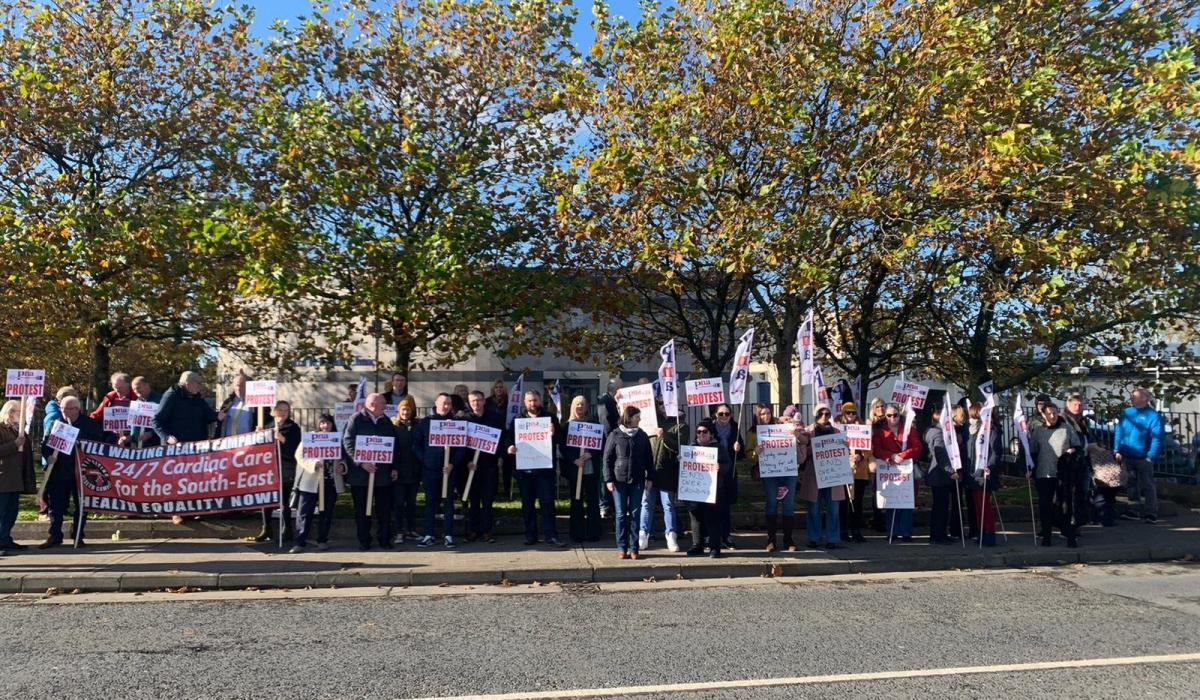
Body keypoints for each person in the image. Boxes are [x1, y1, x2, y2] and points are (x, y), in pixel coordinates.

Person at [40, 396, 102, 548]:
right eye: (62, 408)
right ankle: (55, 535)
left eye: (68, 409)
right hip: (59, 471)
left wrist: (79, 442)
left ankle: (78, 535)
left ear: (77, 409)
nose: (64, 412)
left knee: (81, 505)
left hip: (81, 472)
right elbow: (46, 443)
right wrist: (48, 456)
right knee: (56, 505)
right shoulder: (56, 424)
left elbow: (98, 443)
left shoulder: (88, 424)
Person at [505, 390, 563, 546]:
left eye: (535, 400)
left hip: (544, 470)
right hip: (525, 470)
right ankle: (531, 535)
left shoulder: (549, 418)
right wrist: (510, 447)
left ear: (540, 400)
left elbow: (560, 440)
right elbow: (509, 439)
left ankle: (551, 535)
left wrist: (554, 432)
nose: (533, 403)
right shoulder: (518, 419)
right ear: (525, 402)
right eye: (530, 401)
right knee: (528, 504)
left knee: (547, 503)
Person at [341, 393, 398, 551]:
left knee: (384, 510)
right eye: (383, 404)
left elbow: (393, 445)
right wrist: (361, 462)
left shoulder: (386, 421)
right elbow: (347, 442)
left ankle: (384, 539)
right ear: (372, 405)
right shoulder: (356, 419)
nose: (385, 407)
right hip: (360, 476)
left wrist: (393, 467)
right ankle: (364, 540)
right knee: (361, 510)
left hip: (382, 474)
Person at [413, 393, 468, 548]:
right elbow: (416, 445)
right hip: (430, 469)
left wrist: (452, 464)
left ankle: (449, 535)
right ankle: (429, 534)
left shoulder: (457, 423)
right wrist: (425, 459)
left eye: (449, 403)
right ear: (436, 403)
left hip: (449, 470)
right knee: (430, 502)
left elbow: (461, 447)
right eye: (443, 403)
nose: (446, 406)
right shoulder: (426, 423)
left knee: (448, 502)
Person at [603, 405, 656, 559]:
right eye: (637, 417)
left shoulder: (642, 436)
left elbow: (649, 460)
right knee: (620, 514)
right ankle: (622, 547)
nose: (639, 419)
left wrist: (650, 478)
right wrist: (608, 479)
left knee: (635, 513)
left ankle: (634, 548)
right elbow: (607, 459)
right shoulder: (615, 435)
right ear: (629, 417)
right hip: (618, 481)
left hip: (637, 480)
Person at [1030, 401, 1082, 547]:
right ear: (1043, 414)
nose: (1052, 416)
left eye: (1054, 413)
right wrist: (1030, 469)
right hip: (1044, 473)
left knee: (1065, 505)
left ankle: (1070, 535)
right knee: (1045, 505)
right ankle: (1046, 535)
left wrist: (1073, 452)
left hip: (1063, 473)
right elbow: (1032, 451)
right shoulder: (1038, 431)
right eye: (1049, 413)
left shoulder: (1066, 428)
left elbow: (1078, 446)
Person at [290, 414, 342, 553]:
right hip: (310, 481)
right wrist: (314, 463)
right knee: (304, 512)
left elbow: (343, 458)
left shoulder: (337, 438)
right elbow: (299, 455)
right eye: (323, 423)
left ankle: (322, 540)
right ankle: (300, 542)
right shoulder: (310, 438)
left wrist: (342, 466)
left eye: (328, 423)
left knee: (326, 513)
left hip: (330, 482)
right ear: (318, 424)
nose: (325, 426)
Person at [750, 403, 798, 552]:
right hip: (770, 472)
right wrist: (755, 452)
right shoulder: (752, 433)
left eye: (768, 413)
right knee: (771, 503)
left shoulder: (781, 427)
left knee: (788, 504)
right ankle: (771, 540)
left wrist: (793, 431)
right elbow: (748, 456)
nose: (766, 416)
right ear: (757, 416)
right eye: (762, 414)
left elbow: (798, 432)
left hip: (788, 470)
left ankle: (788, 540)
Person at [871, 403, 922, 542]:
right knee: (892, 500)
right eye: (889, 415)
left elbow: (917, 447)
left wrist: (903, 455)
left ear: (900, 416)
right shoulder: (880, 433)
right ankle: (892, 531)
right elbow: (876, 449)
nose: (893, 418)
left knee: (905, 501)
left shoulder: (908, 430)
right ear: (885, 417)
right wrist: (891, 456)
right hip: (889, 471)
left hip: (906, 471)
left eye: (895, 415)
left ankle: (906, 532)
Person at [1113, 387, 1163, 523]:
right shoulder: (1127, 413)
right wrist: (1117, 449)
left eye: (1135, 396)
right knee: (1131, 484)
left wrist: (1150, 456)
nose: (1132, 398)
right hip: (1127, 454)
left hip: (1143, 456)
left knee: (1147, 484)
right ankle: (1133, 511)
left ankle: (1151, 513)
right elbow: (1119, 431)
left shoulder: (1153, 416)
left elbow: (1156, 438)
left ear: (1144, 398)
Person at [685, 419, 733, 558]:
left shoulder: (718, 448)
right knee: (696, 517)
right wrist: (681, 459)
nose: (701, 434)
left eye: (704, 431)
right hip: (695, 489)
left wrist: (720, 467)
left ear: (711, 434)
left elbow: (728, 464)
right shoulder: (691, 448)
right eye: (698, 432)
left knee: (713, 518)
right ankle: (697, 545)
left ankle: (714, 547)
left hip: (714, 490)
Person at [640, 403, 684, 552]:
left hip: (667, 472)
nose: (663, 407)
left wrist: (663, 435)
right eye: (661, 405)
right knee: (646, 504)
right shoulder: (649, 420)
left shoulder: (680, 424)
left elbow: (680, 446)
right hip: (650, 472)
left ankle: (671, 535)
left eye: (666, 404)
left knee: (668, 505)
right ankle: (643, 534)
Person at [255, 400, 300, 543]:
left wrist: (282, 439)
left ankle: (287, 530)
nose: (282, 413)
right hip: (269, 468)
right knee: (266, 499)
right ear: (274, 411)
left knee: (285, 501)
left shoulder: (292, 427)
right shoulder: (267, 426)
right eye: (280, 410)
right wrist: (258, 435)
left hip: (285, 468)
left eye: (285, 410)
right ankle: (266, 527)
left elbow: (295, 448)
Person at [562, 395, 602, 543]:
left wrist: (590, 454)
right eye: (577, 404)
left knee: (592, 501)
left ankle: (594, 533)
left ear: (586, 407)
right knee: (576, 501)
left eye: (583, 404)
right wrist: (575, 459)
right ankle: (576, 533)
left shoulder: (594, 424)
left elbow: (601, 444)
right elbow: (563, 448)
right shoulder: (568, 426)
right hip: (575, 470)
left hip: (590, 470)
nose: (580, 407)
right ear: (573, 407)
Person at [465, 390, 504, 543]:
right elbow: (462, 443)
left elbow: (501, 439)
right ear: (469, 402)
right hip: (472, 466)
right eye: (473, 401)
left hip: (490, 464)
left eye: (479, 400)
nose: (476, 403)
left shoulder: (494, 417)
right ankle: (474, 530)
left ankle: (487, 530)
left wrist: (500, 457)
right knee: (473, 500)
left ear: (484, 401)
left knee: (487, 500)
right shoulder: (466, 420)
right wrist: (467, 461)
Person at [803, 407, 844, 549]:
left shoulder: (837, 432)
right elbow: (802, 453)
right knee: (813, 508)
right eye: (820, 414)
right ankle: (814, 537)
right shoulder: (808, 432)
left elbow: (843, 452)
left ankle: (832, 538)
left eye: (827, 414)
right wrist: (813, 449)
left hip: (832, 475)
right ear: (815, 415)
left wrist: (845, 448)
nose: (824, 416)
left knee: (833, 508)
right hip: (814, 474)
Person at [965, 404, 1003, 546]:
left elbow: (996, 452)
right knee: (978, 506)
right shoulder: (972, 431)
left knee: (984, 506)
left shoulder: (991, 430)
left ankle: (989, 533)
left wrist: (990, 467)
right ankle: (982, 532)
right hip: (973, 473)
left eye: (973, 415)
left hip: (985, 472)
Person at [836, 402, 870, 543]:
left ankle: (856, 530)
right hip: (843, 470)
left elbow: (869, 449)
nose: (851, 415)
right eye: (848, 412)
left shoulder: (862, 428)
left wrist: (861, 456)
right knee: (843, 502)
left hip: (859, 472)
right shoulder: (838, 429)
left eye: (853, 412)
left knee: (857, 502)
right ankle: (843, 530)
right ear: (843, 414)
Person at [0, 400, 30, 555]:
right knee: (2, 511)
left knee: (12, 511)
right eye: (19, 412)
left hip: (14, 478)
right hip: (3, 478)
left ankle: (5, 538)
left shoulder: (17, 430)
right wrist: (14, 444)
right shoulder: (1, 428)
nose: (22, 415)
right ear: (10, 412)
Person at [712, 403, 743, 549]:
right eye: (721, 414)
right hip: (712, 472)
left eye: (727, 414)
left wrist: (738, 448)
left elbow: (742, 455)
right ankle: (711, 536)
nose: (724, 416)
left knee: (725, 507)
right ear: (715, 415)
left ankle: (726, 535)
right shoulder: (709, 428)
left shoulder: (735, 429)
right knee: (710, 506)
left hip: (728, 472)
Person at [391, 396, 421, 543]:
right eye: (403, 409)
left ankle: (411, 529)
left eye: (408, 409)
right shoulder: (394, 426)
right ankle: (399, 530)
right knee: (398, 502)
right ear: (399, 410)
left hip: (414, 470)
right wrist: (394, 467)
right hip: (399, 470)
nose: (405, 412)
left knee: (411, 502)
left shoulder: (417, 425)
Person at [924, 404, 955, 544]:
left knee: (941, 506)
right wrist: (950, 471)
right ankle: (938, 535)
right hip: (940, 474)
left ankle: (940, 533)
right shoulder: (938, 433)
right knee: (940, 506)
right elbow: (941, 454)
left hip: (939, 474)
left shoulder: (934, 431)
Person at [1062, 394, 1094, 530]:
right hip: (1071, 460)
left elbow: (1088, 437)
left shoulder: (1083, 420)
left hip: (1084, 460)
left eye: (1080, 405)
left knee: (1083, 491)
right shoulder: (1064, 419)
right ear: (1068, 405)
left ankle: (1081, 519)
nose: (1078, 407)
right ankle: (1072, 521)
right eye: (1075, 404)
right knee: (1072, 492)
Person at [89, 372, 135, 443]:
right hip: (111, 435)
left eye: (121, 387)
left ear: (128, 385)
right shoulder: (110, 396)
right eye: (115, 387)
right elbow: (98, 413)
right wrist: (88, 422)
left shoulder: (135, 397)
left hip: (130, 435)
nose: (118, 390)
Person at [216, 371, 260, 437]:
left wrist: (261, 430)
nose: (239, 388)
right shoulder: (228, 402)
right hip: (228, 443)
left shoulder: (258, 403)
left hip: (248, 443)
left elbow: (267, 422)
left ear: (248, 386)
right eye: (237, 385)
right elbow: (220, 423)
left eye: (242, 385)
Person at [120, 376, 159, 448]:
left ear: (147, 385)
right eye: (134, 389)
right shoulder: (136, 404)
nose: (136, 391)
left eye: (138, 388)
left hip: (156, 446)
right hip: (139, 448)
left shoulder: (160, 401)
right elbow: (134, 427)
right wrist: (129, 439)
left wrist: (151, 434)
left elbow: (168, 423)